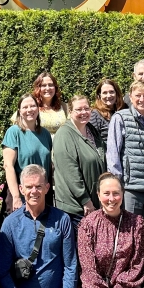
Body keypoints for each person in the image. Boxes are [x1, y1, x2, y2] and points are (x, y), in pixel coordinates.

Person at [107, 80, 144, 223]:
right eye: (138, 95)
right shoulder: (120, 118)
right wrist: (117, 186)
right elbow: (113, 156)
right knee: (129, 232)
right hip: (130, 189)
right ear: (130, 97)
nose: (142, 99)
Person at [52, 95, 106, 230]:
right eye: (79, 109)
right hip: (75, 208)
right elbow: (70, 172)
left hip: (93, 204)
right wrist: (85, 200)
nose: (84, 113)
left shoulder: (91, 130)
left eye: (87, 108)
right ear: (70, 112)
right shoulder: (64, 135)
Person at [3, 94, 53, 213]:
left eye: (32, 106)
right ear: (19, 111)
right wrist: (16, 197)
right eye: (25, 107)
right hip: (22, 195)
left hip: (41, 195)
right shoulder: (13, 132)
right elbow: (8, 166)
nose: (29, 110)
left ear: (38, 109)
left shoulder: (45, 134)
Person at [33, 72, 69, 137]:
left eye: (51, 85)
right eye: (43, 85)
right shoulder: (32, 107)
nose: (48, 88)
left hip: (61, 145)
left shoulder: (65, 107)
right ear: (38, 88)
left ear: (55, 87)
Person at [90, 78, 125, 145]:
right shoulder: (95, 114)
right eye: (105, 93)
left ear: (116, 93)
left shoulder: (123, 110)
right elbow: (91, 141)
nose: (108, 95)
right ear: (99, 95)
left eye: (111, 92)